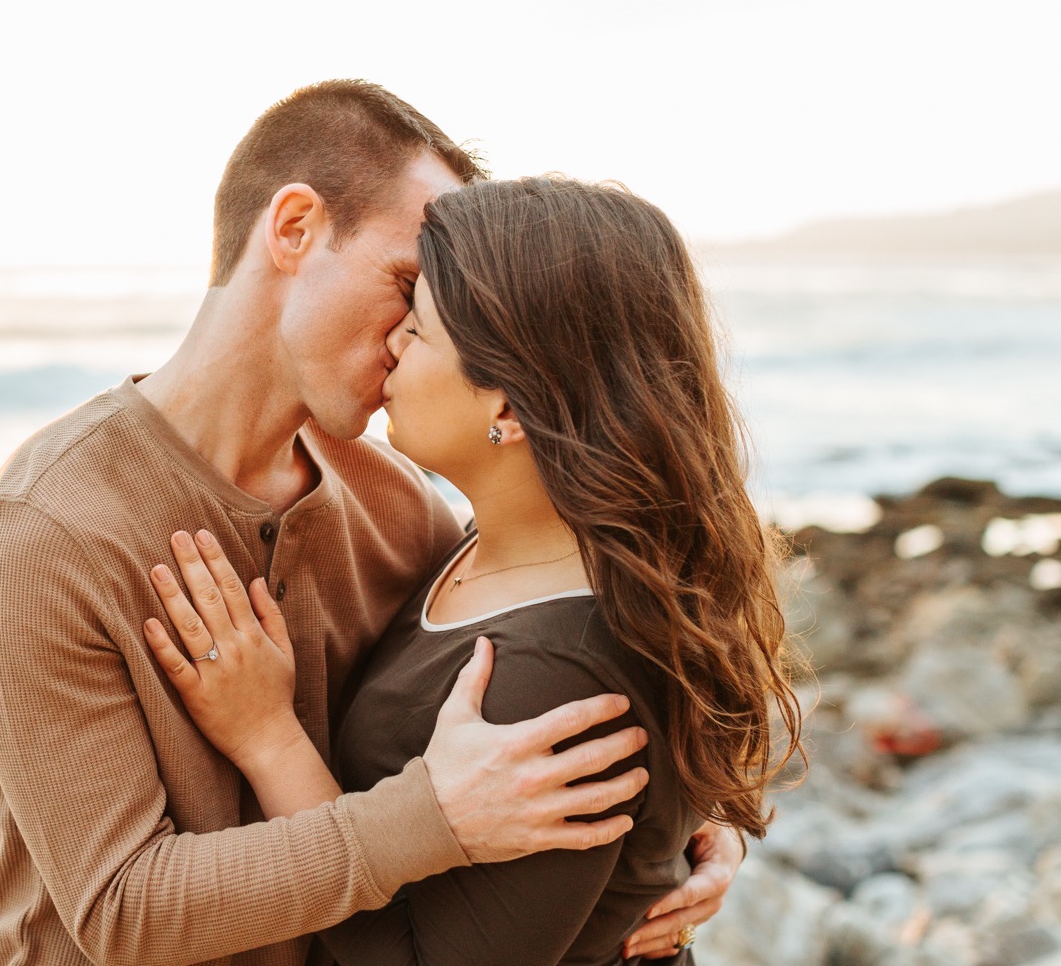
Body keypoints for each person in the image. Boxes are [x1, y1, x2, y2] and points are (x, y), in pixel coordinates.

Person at [0, 81, 744, 966]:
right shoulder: (45, 532)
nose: (415, 332)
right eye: (409, 283)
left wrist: (672, 843)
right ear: (294, 229)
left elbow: (548, 657)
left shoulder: (396, 503)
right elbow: (121, 912)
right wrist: (431, 819)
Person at [142, 175, 805, 963]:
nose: (389, 343)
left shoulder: (553, 676)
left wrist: (266, 737)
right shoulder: (498, 548)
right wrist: (692, 829)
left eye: (417, 331)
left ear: (510, 409)